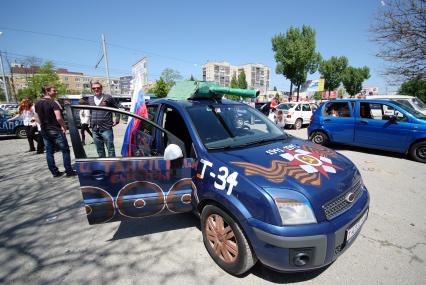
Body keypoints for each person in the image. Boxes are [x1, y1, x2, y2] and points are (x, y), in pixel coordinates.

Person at [34, 85, 76, 177]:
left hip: (45, 130)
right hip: (56, 130)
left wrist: (42, 124)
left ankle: (54, 172)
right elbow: (59, 117)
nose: (56, 92)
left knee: (49, 151)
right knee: (65, 150)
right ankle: (69, 171)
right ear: (47, 91)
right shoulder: (53, 103)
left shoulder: (37, 103)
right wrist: (64, 127)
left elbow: (36, 117)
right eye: (54, 90)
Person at [88, 81, 120, 157]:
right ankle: (103, 166)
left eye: (98, 88)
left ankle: (112, 167)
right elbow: (90, 111)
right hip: (95, 129)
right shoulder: (90, 99)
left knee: (110, 149)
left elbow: (116, 108)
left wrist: (117, 119)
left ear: (101, 88)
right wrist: (90, 121)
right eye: (94, 88)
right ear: (92, 89)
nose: (96, 89)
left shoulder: (108, 97)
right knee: (99, 150)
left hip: (106, 128)